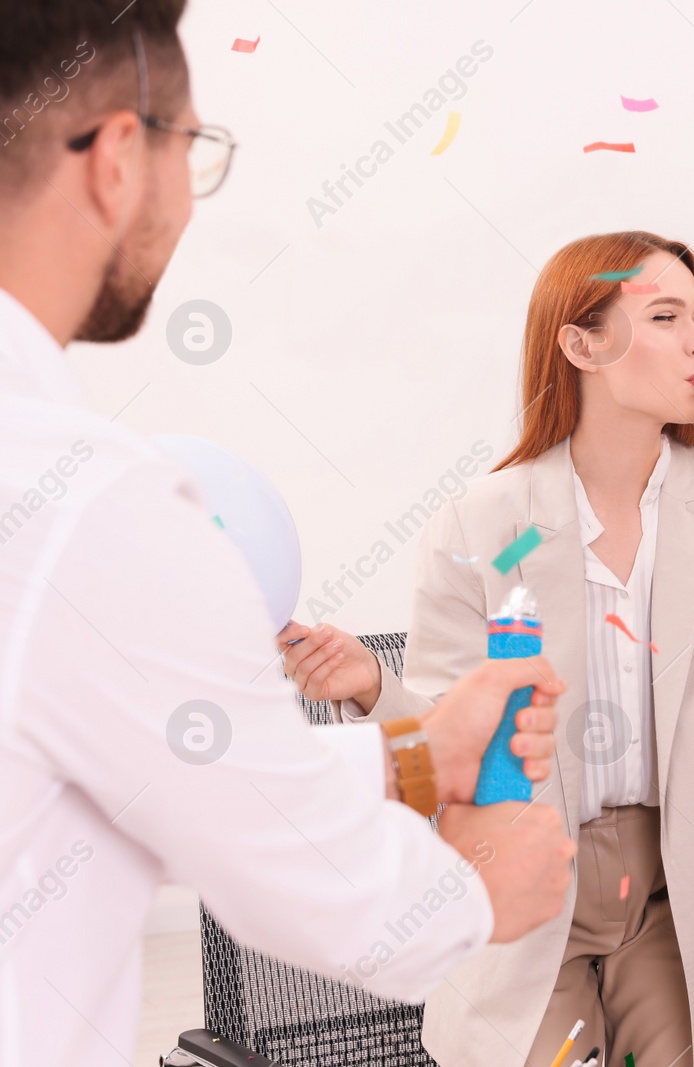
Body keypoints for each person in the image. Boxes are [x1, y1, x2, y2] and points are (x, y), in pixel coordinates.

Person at [0, 4, 577, 1064]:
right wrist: (486, 882)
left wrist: (417, 749)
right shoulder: (90, 504)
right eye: (194, 151)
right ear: (119, 158)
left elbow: (150, 762)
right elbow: (318, 890)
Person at [279, 230, 694, 1067]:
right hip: (532, 874)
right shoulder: (483, 524)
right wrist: (370, 686)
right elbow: (453, 753)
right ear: (580, 342)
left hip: (674, 882)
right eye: (665, 315)